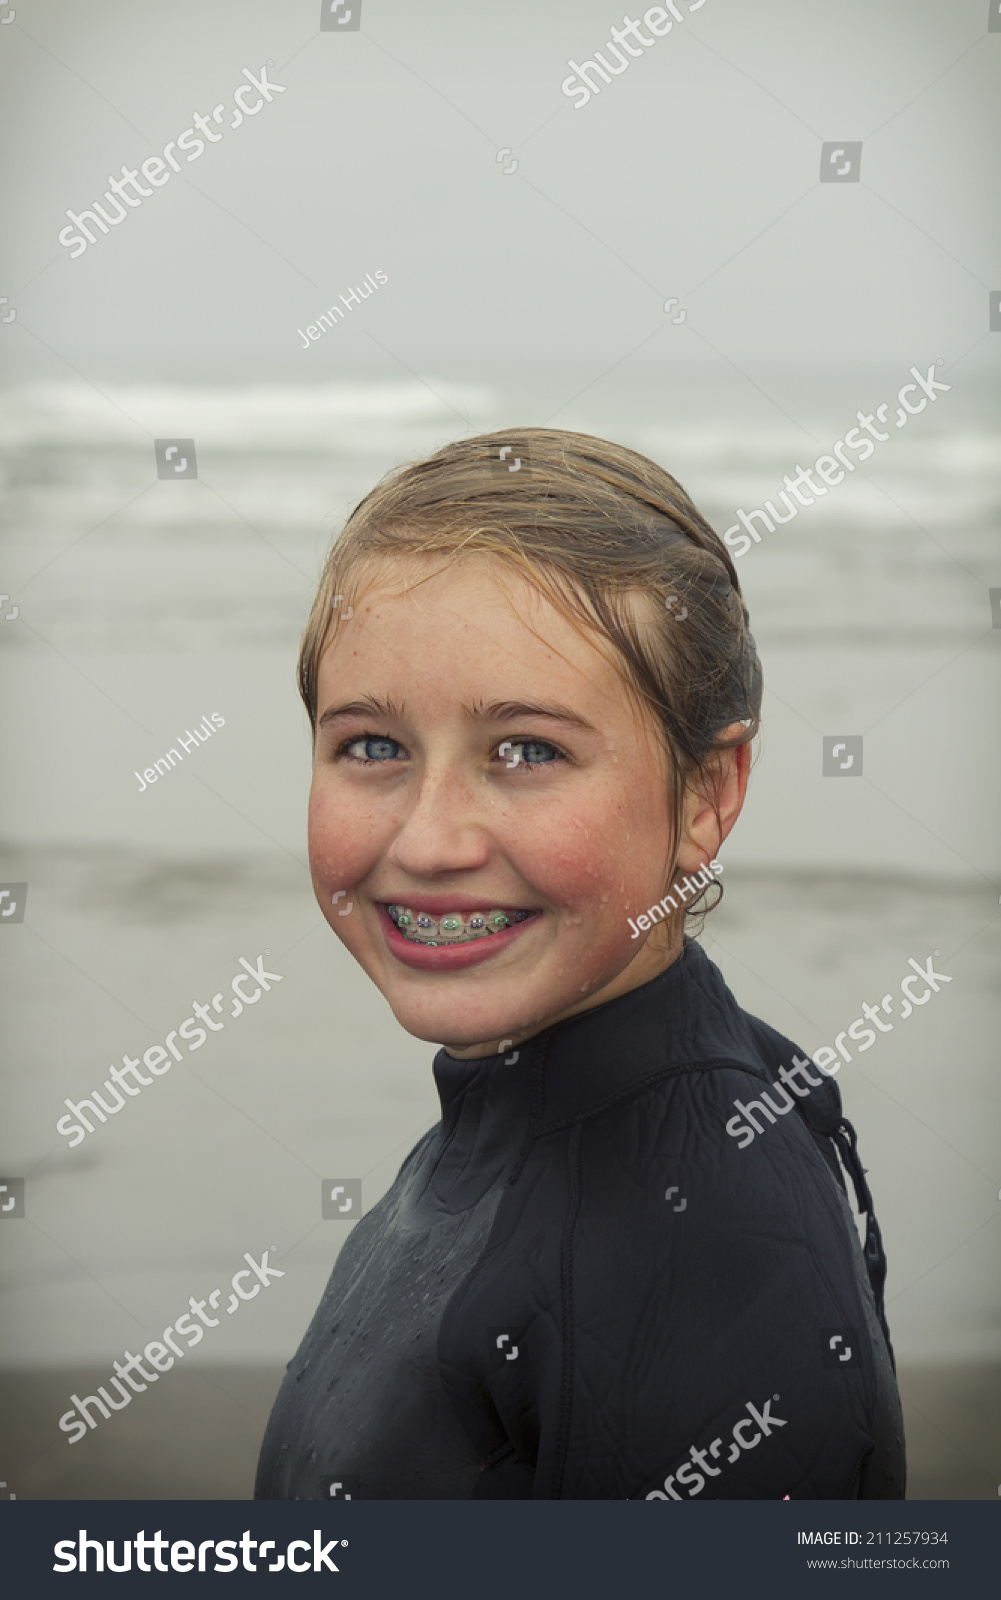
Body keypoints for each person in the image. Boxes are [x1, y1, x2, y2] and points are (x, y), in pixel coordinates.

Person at [255, 428, 905, 1500]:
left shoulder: (701, 1241)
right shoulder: (529, 1108)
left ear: (704, 795)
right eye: (371, 745)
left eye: (526, 751)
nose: (427, 840)